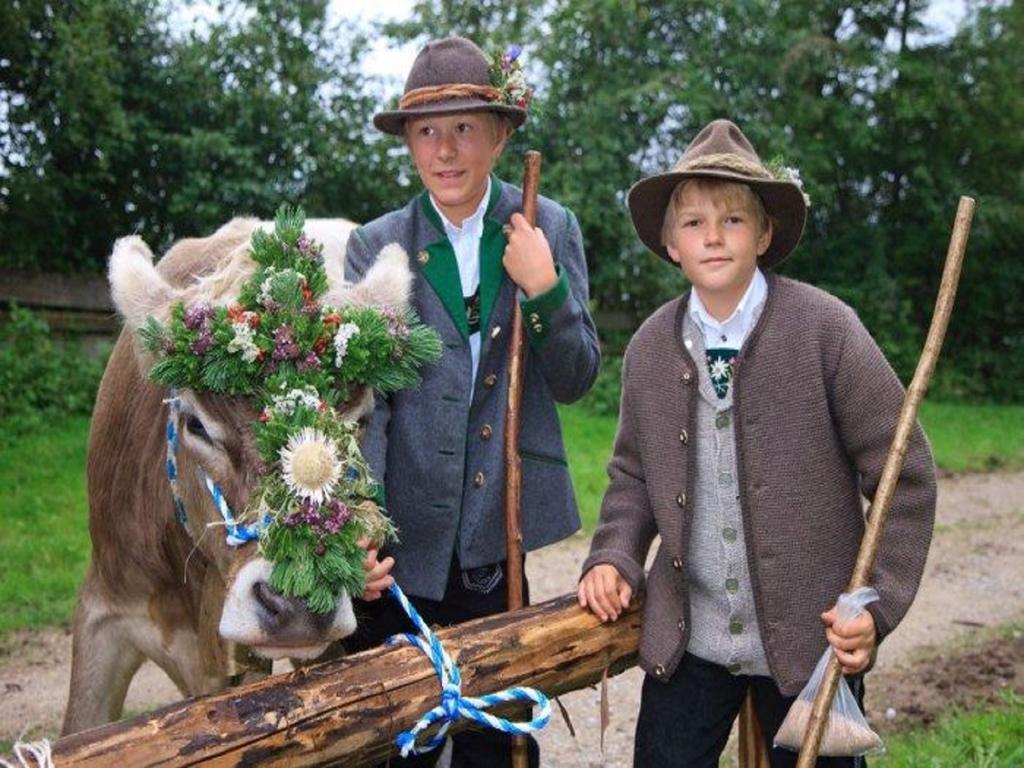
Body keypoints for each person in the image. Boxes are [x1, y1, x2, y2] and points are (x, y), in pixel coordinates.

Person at [577, 118, 936, 767]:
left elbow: (901, 470)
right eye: (693, 223)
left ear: (765, 234)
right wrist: (614, 556)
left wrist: (873, 606)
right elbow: (632, 475)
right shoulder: (651, 350)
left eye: (733, 220)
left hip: (811, 641)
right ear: (669, 242)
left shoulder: (825, 330)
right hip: (692, 640)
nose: (713, 236)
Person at [343, 36, 600, 767]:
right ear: (409, 144)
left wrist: (545, 288)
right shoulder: (379, 245)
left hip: (500, 545)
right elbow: (369, 406)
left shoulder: (548, 227)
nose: (446, 150)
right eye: (428, 132)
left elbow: (578, 378)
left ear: (501, 133)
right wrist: (358, 530)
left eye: (464, 128)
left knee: (498, 741)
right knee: (397, 742)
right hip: (400, 555)